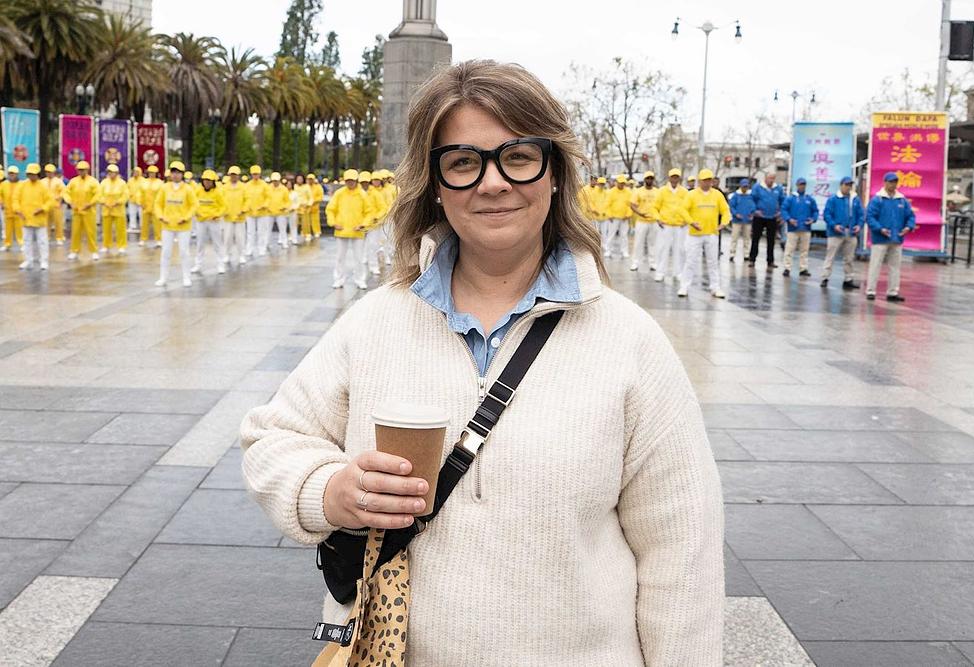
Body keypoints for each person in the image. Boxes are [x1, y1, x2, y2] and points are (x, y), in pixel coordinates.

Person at [240, 59, 723, 667]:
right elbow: (273, 437)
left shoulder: (629, 342)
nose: (493, 183)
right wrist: (331, 492)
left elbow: (683, 552)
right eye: (464, 162)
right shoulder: (377, 322)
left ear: (554, 173)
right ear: (434, 183)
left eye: (518, 155)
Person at [679, 168, 731, 298]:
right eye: (704, 181)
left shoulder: (717, 195)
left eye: (709, 180)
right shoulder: (691, 195)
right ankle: (684, 286)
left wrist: (724, 223)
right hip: (694, 234)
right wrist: (691, 222)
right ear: (699, 181)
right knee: (690, 260)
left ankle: (715, 287)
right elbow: (683, 210)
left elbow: (725, 210)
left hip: (712, 233)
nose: (707, 183)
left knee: (713, 262)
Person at [866, 172, 915, 302]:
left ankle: (893, 292)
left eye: (895, 182)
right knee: (875, 265)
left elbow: (910, 216)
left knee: (895, 266)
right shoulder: (877, 199)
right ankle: (871, 290)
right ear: (885, 182)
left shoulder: (902, 200)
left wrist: (908, 227)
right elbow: (870, 217)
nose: (893, 184)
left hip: (896, 238)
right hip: (880, 238)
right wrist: (880, 229)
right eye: (890, 181)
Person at [153, 161, 197, 288]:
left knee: (184, 252)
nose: (175, 175)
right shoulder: (164, 187)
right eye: (173, 172)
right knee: (166, 252)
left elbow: (194, 205)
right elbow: (158, 204)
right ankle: (163, 278)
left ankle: (186, 277)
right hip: (167, 225)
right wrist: (161, 216)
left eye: (178, 172)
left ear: (182, 174)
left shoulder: (188, 189)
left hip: (183, 226)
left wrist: (186, 217)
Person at [325, 168, 371, 289]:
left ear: (356, 181)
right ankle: (339, 279)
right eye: (348, 180)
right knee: (340, 257)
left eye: (352, 180)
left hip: (357, 231)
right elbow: (330, 209)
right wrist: (333, 223)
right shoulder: (339, 193)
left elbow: (369, 212)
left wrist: (363, 224)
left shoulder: (362, 194)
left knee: (359, 258)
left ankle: (360, 279)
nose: (350, 183)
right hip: (341, 230)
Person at [820, 176, 863, 289]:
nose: (848, 187)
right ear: (841, 185)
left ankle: (848, 279)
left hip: (851, 232)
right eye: (846, 185)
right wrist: (834, 225)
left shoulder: (855, 199)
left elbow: (861, 214)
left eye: (850, 185)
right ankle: (825, 277)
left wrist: (859, 225)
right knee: (830, 256)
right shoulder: (833, 199)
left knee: (849, 257)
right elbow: (827, 215)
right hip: (836, 232)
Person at [652, 167, 690, 283]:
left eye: (676, 177)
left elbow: (689, 208)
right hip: (666, 225)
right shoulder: (662, 191)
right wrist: (658, 219)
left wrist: (686, 220)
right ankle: (660, 272)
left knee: (679, 250)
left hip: (680, 225)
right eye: (673, 177)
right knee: (663, 248)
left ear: (679, 178)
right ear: (669, 178)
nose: (674, 179)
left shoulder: (684, 192)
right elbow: (655, 207)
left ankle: (678, 272)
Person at [13, 163, 53, 270]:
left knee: (42, 241)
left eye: (33, 174)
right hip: (25, 218)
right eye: (29, 174)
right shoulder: (22, 185)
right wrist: (17, 210)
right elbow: (15, 199)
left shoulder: (43, 186)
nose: (31, 176)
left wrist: (43, 208)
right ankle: (28, 260)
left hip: (39, 219)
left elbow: (50, 201)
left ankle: (43, 261)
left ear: (38, 174)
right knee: (26, 241)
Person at [780, 177, 818, 277]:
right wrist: (789, 219)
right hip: (793, 228)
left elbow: (815, 211)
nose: (802, 186)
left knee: (804, 250)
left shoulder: (809, 199)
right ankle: (787, 268)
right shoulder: (791, 198)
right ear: (797, 185)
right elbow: (784, 209)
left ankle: (803, 268)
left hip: (805, 227)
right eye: (800, 184)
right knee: (789, 249)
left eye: (804, 184)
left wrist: (813, 219)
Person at [63, 160, 100, 262]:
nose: (81, 172)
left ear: (87, 170)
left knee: (91, 232)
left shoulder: (93, 181)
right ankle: (74, 251)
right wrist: (70, 202)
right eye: (79, 170)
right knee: (75, 232)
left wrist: (91, 203)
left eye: (83, 170)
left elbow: (98, 194)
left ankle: (94, 251)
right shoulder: (73, 181)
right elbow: (66, 193)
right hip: (76, 212)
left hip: (89, 212)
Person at [192, 169, 227, 275]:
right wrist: (197, 213)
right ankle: (198, 265)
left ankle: (220, 264)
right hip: (201, 221)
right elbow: (193, 203)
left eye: (209, 181)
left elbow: (224, 206)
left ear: (213, 182)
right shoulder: (198, 190)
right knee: (200, 244)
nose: (207, 182)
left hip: (214, 221)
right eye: (205, 180)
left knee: (217, 243)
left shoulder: (217, 192)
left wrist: (217, 215)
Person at [749, 173, 784, 269]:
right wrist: (755, 210)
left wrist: (780, 212)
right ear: (765, 178)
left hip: (772, 217)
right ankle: (752, 259)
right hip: (759, 217)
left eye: (773, 178)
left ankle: (770, 261)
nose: (771, 180)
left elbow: (782, 201)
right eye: (769, 178)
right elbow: (751, 199)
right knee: (755, 239)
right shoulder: (757, 187)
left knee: (771, 240)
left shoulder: (778, 188)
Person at [629, 170, 660, 272]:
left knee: (653, 243)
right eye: (648, 178)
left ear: (653, 180)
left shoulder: (657, 192)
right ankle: (635, 263)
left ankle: (653, 263)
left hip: (654, 222)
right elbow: (632, 205)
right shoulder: (638, 191)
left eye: (651, 178)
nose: (649, 180)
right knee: (638, 243)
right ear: (644, 179)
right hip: (642, 221)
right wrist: (639, 213)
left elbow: (661, 206)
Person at [97, 164, 129, 255]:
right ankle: (106, 245)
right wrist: (104, 202)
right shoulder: (103, 183)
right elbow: (99, 195)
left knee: (120, 229)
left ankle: (122, 246)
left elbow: (125, 195)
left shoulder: (122, 183)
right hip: (106, 210)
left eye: (113, 172)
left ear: (117, 173)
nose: (111, 174)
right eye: (110, 172)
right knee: (106, 229)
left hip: (118, 210)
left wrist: (118, 202)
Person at [363, 170, 390, 276]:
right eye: (374, 180)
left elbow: (387, 205)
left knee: (381, 241)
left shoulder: (385, 191)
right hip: (367, 223)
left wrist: (378, 217)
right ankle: (368, 261)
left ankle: (378, 262)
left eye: (378, 180)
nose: (376, 182)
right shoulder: (366, 192)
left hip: (380, 221)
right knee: (370, 244)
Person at [222, 166, 248, 266]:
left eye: (235, 175)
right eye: (232, 175)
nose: (233, 177)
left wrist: (243, 210)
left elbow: (247, 200)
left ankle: (241, 255)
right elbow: (221, 200)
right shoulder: (224, 187)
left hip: (239, 217)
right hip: (228, 216)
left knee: (240, 237)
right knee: (227, 237)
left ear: (238, 176)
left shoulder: (243, 187)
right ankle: (226, 255)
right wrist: (224, 210)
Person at [603, 174, 632, 259]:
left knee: (624, 235)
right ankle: (608, 250)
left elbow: (630, 205)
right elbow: (607, 205)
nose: (621, 184)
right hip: (613, 218)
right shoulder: (611, 192)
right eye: (620, 183)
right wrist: (609, 215)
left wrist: (628, 215)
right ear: (617, 183)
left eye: (623, 183)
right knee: (611, 235)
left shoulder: (628, 192)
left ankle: (624, 251)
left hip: (624, 218)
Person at [244, 166, 269, 258]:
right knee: (250, 232)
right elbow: (245, 197)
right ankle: (249, 248)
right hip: (250, 212)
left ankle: (261, 248)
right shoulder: (247, 185)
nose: (255, 176)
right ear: (251, 174)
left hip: (262, 212)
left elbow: (268, 197)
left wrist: (264, 205)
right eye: (254, 174)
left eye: (257, 174)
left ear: (260, 174)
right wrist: (246, 207)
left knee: (261, 232)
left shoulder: (264, 185)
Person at [728, 178, 755, 263]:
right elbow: (731, 206)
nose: (745, 188)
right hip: (737, 220)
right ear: (740, 186)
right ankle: (732, 254)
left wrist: (752, 213)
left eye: (746, 187)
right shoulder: (735, 195)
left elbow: (753, 206)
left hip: (747, 220)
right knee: (734, 238)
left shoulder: (750, 196)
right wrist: (736, 214)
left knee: (747, 238)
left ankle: (746, 255)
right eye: (743, 187)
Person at [266, 171, 292, 250]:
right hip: (269, 212)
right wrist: (266, 206)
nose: (275, 182)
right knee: (267, 229)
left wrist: (284, 207)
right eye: (273, 180)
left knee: (282, 229)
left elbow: (288, 201)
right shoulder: (268, 188)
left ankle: (284, 243)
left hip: (281, 212)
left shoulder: (284, 189)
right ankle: (266, 243)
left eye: (276, 180)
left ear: (279, 180)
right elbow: (265, 199)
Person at [0, 166, 23, 253]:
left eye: (13, 173)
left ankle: (21, 243)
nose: (11, 175)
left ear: (17, 174)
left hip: (18, 211)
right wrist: (1, 202)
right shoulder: (4, 184)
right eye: (10, 173)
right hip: (7, 211)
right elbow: (0, 194)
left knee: (19, 229)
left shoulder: (21, 184)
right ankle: (7, 244)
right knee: (7, 230)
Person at [139, 165, 163, 248]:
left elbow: (161, 196)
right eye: (150, 172)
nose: (151, 174)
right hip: (146, 206)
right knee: (144, 224)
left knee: (157, 224)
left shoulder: (160, 183)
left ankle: (159, 240)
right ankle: (143, 239)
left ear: (156, 173)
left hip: (155, 207)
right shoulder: (144, 182)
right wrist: (141, 203)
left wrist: (160, 206)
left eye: (153, 173)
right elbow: (141, 194)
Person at [43, 164, 66, 246]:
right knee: (46, 222)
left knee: (58, 222)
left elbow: (64, 191)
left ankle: (59, 237)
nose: (49, 173)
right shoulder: (42, 181)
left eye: (50, 172)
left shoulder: (58, 181)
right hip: (45, 205)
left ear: (53, 172)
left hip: (56, 205)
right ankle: (46, 237)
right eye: (47, 172)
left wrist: (59, 198)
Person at [305, 173, 323, 242]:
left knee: (315, 221)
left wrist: (314, 201)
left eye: (311, 179)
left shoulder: (318, 187)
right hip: (306, 207)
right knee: (306, 222)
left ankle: (317, 232)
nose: (310, 181)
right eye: (309, 179)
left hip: (315, 207)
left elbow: (320, 196)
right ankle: (307, 233)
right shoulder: (305, 187)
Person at [127, 166, 145, 232]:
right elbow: (127, 189)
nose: (135, 173)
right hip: (132, 200)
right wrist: (129, 195)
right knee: (132, 214)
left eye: (137, 172)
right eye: (134, 172)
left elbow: (145, 190)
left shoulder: (143, 180)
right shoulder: (130, 180)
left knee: (141, 214)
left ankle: (142, 226)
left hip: (141, 200)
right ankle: (132, 226)